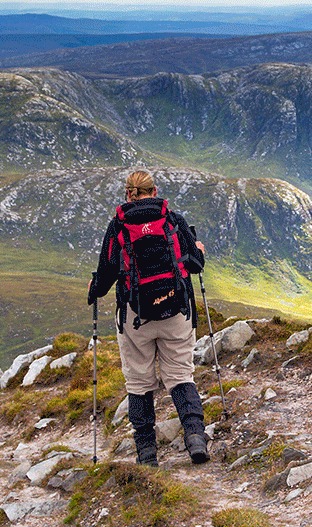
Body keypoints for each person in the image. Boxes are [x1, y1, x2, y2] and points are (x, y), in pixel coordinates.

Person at [88, 170, 210, 466]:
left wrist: (93, 289)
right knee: (180, 375)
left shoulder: (118, 225)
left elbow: (105, 274)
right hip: (176, 311)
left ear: (128, 194)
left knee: (139, 382)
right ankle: (195, 437)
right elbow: (194, 263)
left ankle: (147, 454)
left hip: (135, 317)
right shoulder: (172, 219)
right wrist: (200, 250)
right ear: (154, 190)